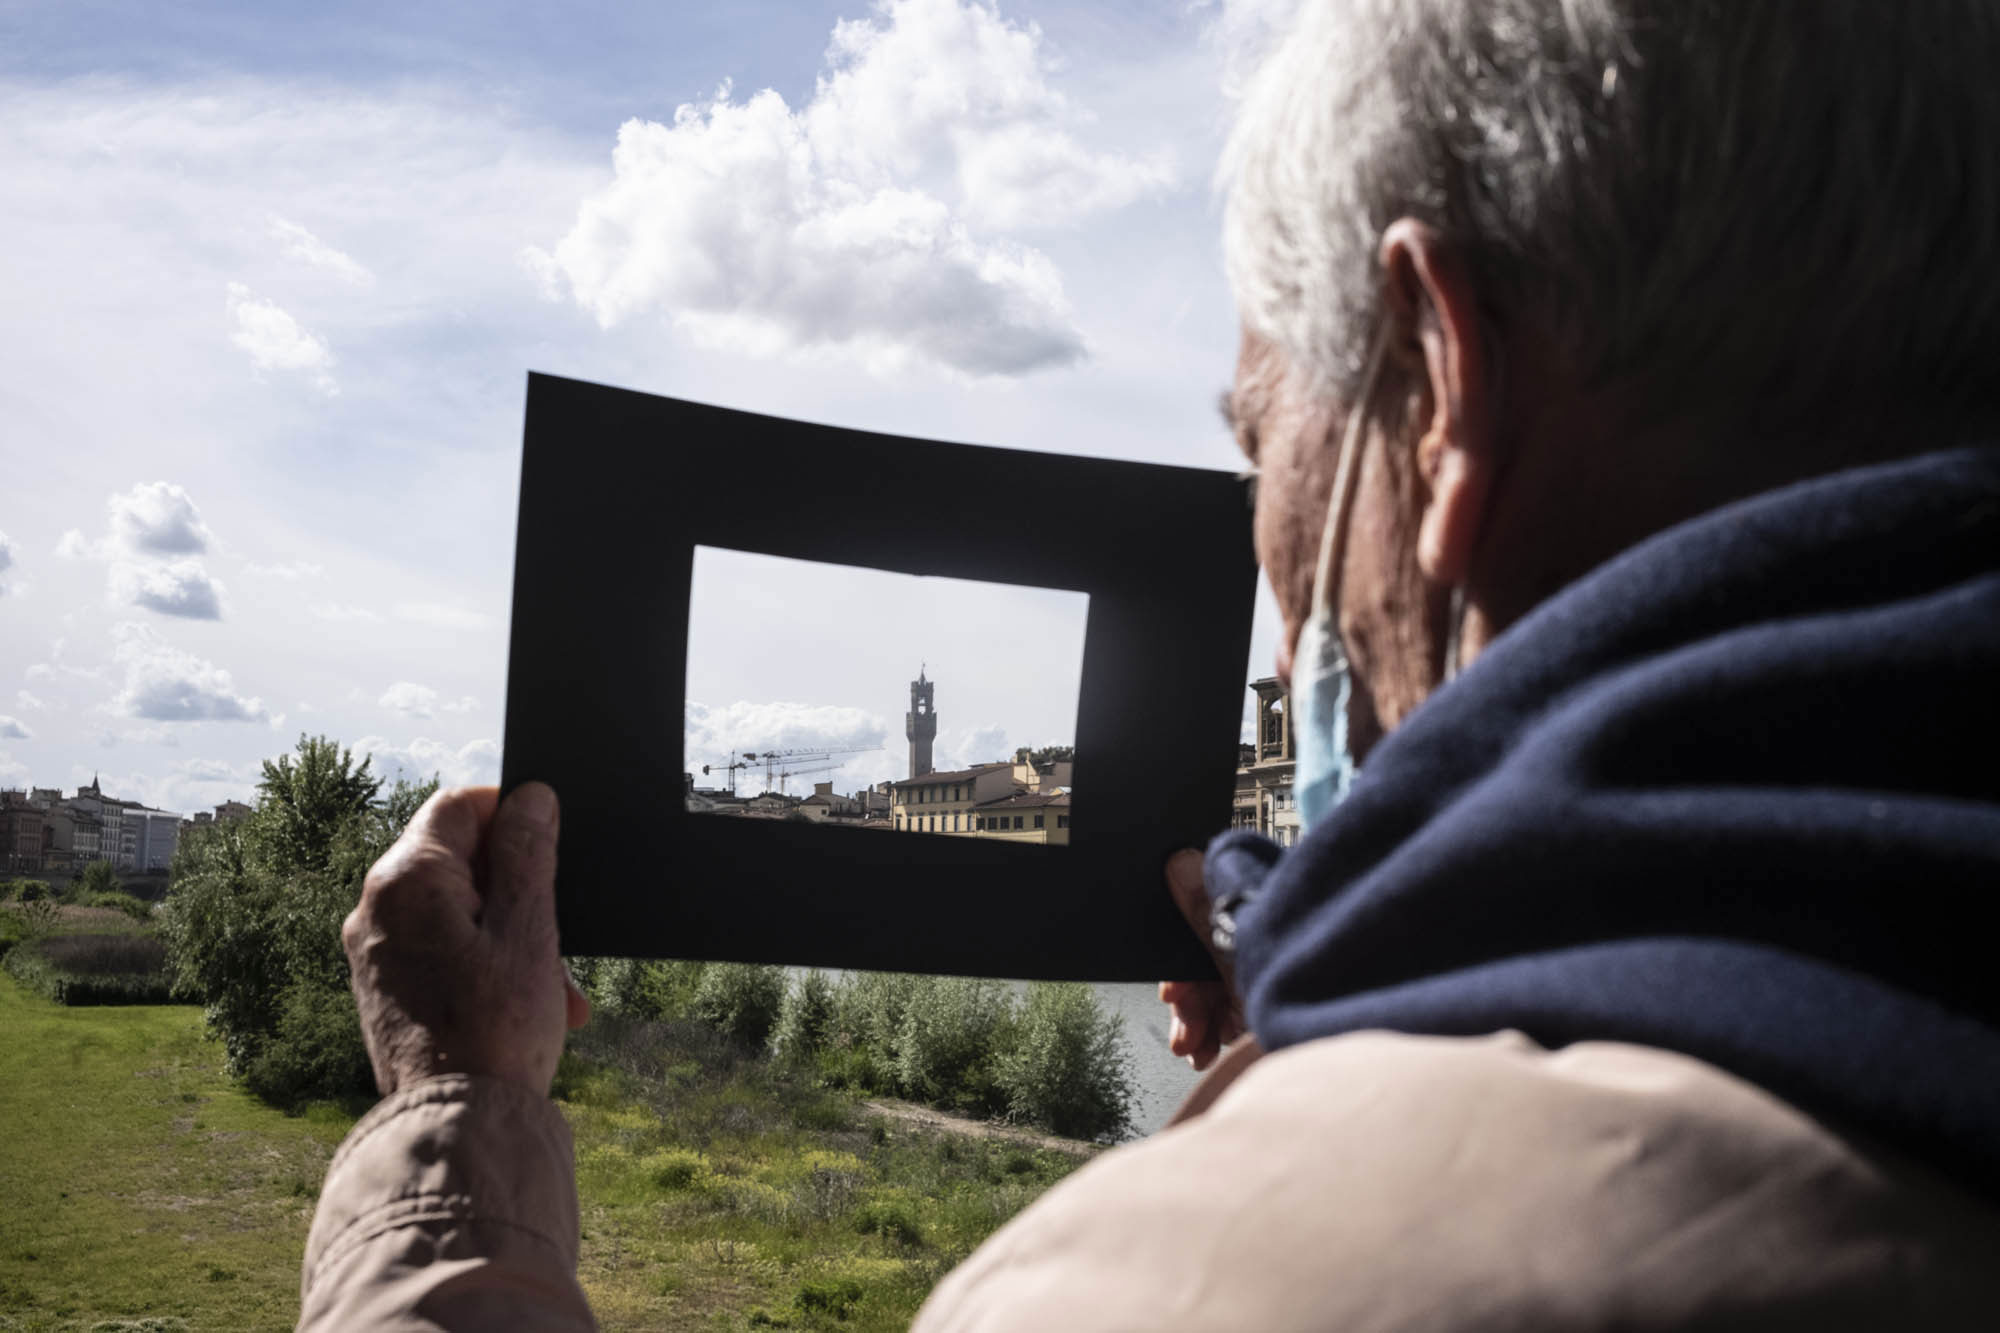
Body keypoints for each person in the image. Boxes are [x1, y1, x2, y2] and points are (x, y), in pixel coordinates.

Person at [300, 1, 2000, 1328]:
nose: (1273, 558)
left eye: (1264, 452)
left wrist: (454, 1130)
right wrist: (1357, 1042)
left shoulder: (1183, 1300)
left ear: (1440, 377)